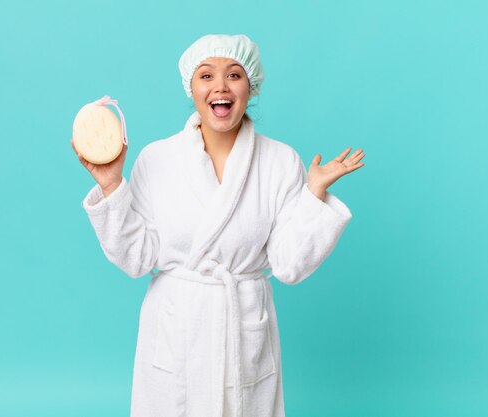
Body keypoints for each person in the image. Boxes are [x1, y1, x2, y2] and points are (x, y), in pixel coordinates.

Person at [71, 34, 364, 417]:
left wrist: (313, 196)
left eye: (234, 75)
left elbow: (289, 265)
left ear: (251, 87)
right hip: (178, 328)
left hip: (242, 327)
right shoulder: (157, 158)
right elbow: (136, 259)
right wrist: (111, 186)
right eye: (206, 76)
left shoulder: (280, 161)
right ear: (191, 88)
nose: (220, 86)